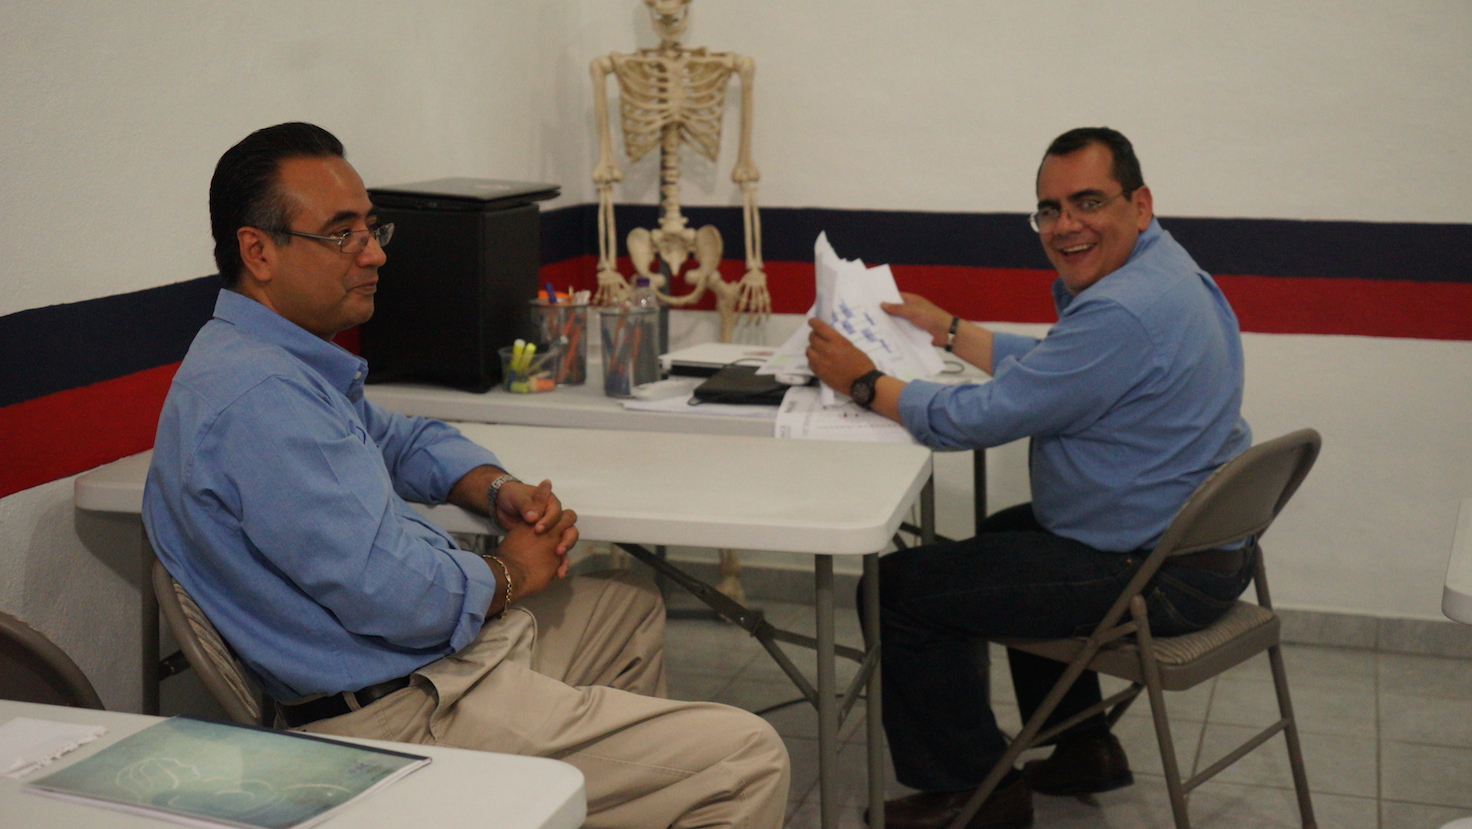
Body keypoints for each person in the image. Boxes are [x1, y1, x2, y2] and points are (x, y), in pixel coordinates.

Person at [144, 122, 788, 829]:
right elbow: (396, 596)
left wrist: (492, 488)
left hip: (418, 667)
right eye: (342, 234)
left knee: (624, 607)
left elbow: (396, 438)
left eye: (372, 228)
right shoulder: (260, 401)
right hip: (397, 716)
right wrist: (510, 572)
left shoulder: (268, 359)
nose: (374, 253)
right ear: (258, 251)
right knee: (746, 758)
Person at [806, 127, 1253, 829]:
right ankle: (1085, 748)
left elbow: (977, 418)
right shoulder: (1164, 269)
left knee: (897, 590)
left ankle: (972, 791)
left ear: (1139, 204)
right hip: (1203, 550)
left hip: (1158, 573)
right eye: (1050, 209)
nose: (1065, 225)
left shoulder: (1123, 309)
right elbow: (1059, 366)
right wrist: (948, 328)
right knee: (1005, 536)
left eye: (1088, 202)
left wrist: (863, 382)